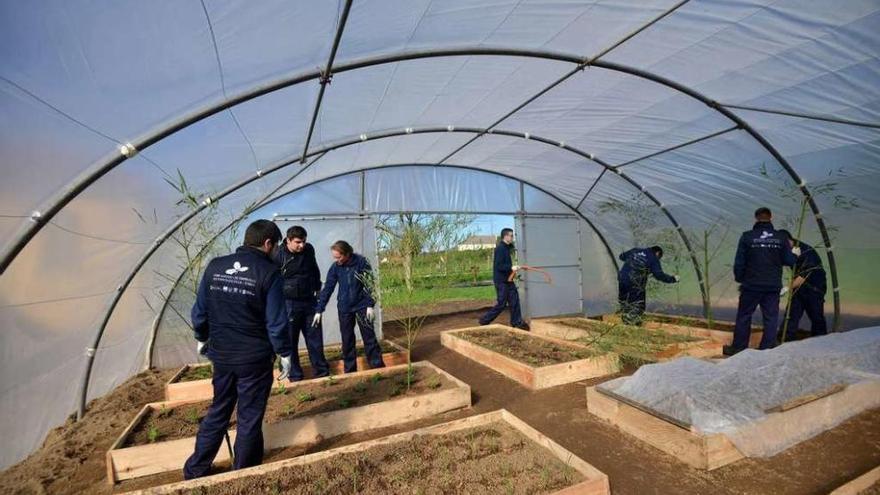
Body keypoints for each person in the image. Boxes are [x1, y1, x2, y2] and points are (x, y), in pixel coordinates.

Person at [183, 220, 292, 479]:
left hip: (221, 356)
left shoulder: (215, 266)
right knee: (249, 416)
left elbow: (199, 312)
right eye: (276, 246)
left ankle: (195, 469)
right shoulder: (268, 272)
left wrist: (202, 336)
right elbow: (276, 323)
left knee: (219, 409)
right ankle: (243, 473)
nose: (276, 251)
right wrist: (285, 353)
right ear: (268, 244)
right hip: (254, 360)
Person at [724, 207, 798, 356]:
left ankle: (738, 349)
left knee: (744, 315)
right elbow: (788, 260)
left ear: (755, 218)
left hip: (751, 285)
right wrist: (794, 254)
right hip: (772, 285)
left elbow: (739, 261)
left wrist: (740, 278)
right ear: (771, 217)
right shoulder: (781, 238)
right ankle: (767, 349)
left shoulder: (747, 237)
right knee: (771, 317)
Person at [313, 240, 385, 373]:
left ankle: (377, 368)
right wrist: (319, 309)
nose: (337, 260)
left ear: (347, 254)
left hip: (362, 306)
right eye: (335, 257)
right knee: (347, 341)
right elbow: (328, 289)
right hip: (344, 308)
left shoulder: (361, 263)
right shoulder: (335, 268)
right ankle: (350, 370)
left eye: (339, 257)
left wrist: (370, 305)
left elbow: (369, 284)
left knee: (369, 338)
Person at [274, 225, 329, 381]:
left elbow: (314, 269)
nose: (302, 245)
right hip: (288, 303)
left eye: (304, 241)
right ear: (288, 240)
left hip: (309, 302)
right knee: (290, 341)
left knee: (315, 338)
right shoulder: (278, 254)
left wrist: (318, 289)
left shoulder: (308, 250)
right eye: (298, 242)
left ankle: (322, 373)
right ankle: (294, 375)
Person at [776, 230, 827, 342]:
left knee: (816, 316)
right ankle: (784, 340)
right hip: (798, 288)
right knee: (791, 315)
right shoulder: (790, 250)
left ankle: (820, 341)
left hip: (814, 287)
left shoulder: (806, 251)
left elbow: (804, 275)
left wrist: (787, 288)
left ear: (789, 240)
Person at [479, 228, 528, 330]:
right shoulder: (500, 249)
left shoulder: (506, 248)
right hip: (501, 282)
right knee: (501, 304)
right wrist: (511, 268)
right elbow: (499, 266)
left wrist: (514, 268)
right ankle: (484, 320)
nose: (512, 237)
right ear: (505, 236)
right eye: (511, 235)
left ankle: (517, 322)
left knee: (514, 300)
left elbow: (506, 263)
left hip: (508, 281)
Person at [617, 246, 679, 326]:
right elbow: (659, 275)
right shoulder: (653, 258)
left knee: (624, 301)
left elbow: (621, 256)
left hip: (622, 279)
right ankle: (635, 325)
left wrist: (636, 262)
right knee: (637, 304)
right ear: (657, 253)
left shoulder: (635, 250)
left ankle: (626, 322)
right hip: (635, 282)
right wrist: (673, 279)